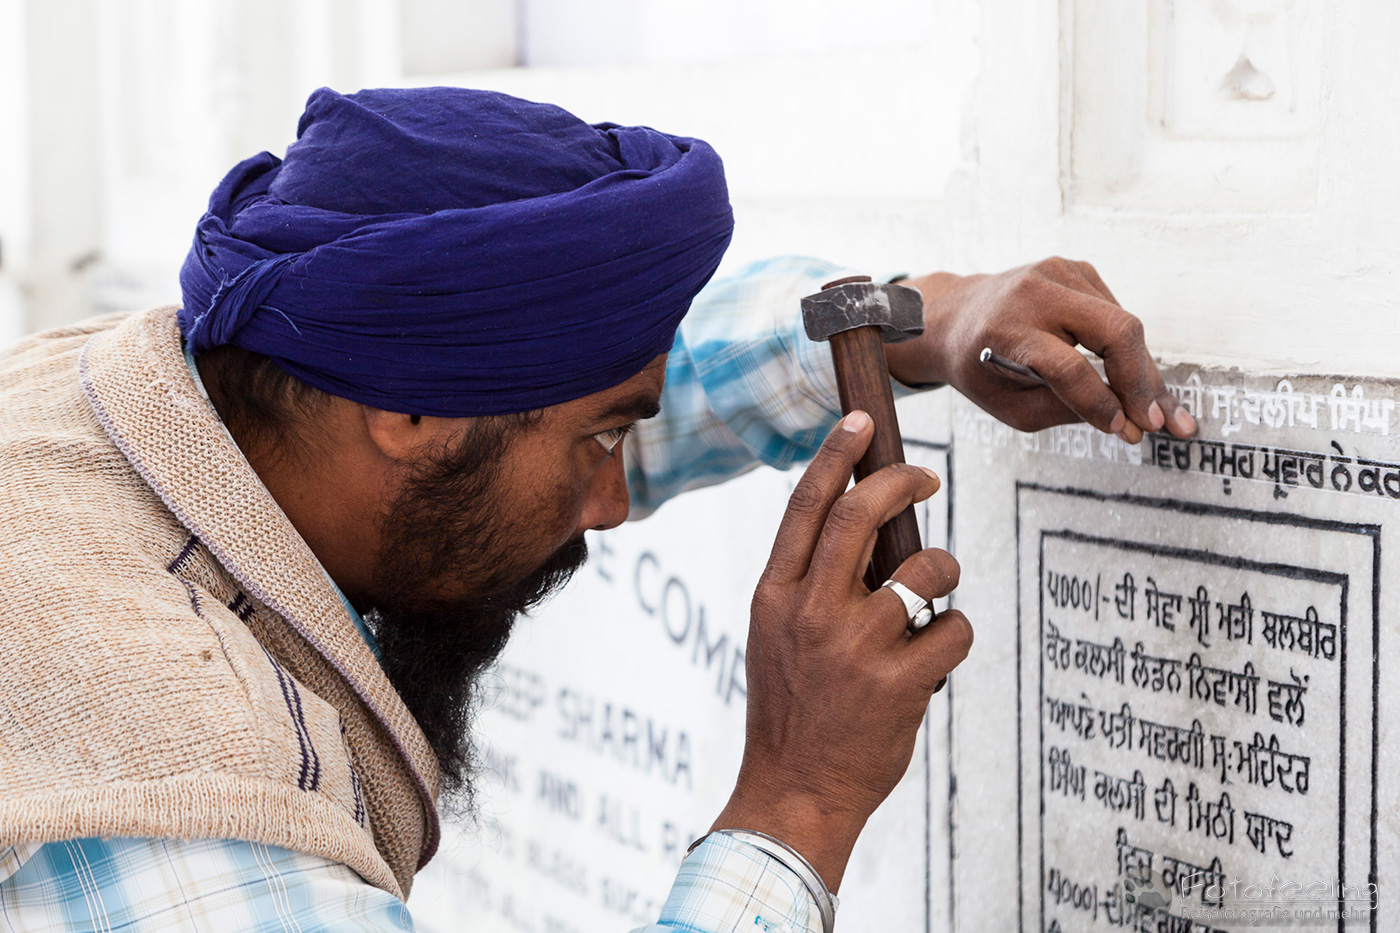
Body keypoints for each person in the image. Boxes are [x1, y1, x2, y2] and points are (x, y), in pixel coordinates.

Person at [0, 87, 1195, 931]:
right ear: (409, 411)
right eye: (601, 442)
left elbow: (532, 412)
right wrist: (796, 805)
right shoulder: (162, 780)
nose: (617, 502)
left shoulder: (156, 399)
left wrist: (908, 317)